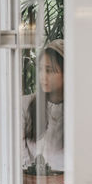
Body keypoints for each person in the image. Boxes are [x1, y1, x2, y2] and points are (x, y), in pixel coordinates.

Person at [22, 39, 64, 171]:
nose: (42, 76)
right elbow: (20, 157)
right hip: (31, 183)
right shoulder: (25, 105)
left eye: (49, 70)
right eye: (40, 69)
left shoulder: (78, 110)